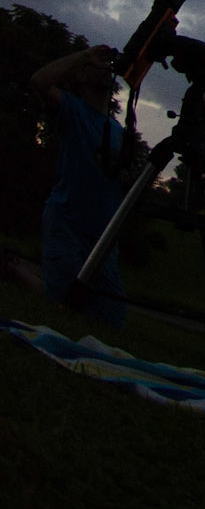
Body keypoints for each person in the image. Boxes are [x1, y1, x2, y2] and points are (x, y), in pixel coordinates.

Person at [30, 42, 131, 328]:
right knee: (63, 304)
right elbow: (39, 81)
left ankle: (19, 272)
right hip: (67, 224)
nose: (105, 69)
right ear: (81, 76)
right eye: (95, 66)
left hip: (102, 238)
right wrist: (84, 55)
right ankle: (19, 272)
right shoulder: (71, 108)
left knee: (112, 322)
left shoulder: (117, 131)